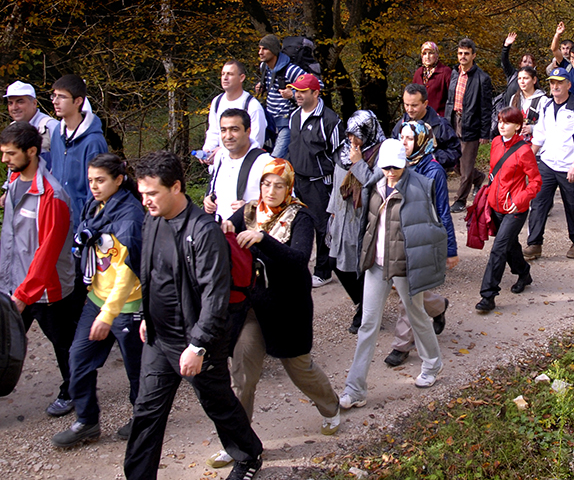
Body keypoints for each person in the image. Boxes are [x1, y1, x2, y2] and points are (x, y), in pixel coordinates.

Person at [124, 151, 263, 480]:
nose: (145, 201)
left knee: (217, 403)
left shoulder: (203, 232)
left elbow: (216, 297)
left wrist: (198, 345)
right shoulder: (152, 220)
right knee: (146, 411)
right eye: (142, 194)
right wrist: (147, 315)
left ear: (176, 187)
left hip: (197, 341)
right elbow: (151, 275)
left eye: (152, 193)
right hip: (159, 339)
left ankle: (249, 455)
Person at [224, 159, 341, 441]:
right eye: (266, 184)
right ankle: (238, 440)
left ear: (289, 187)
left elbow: (299, 260)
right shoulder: (250, 210)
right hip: (253, 305)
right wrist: (224, 225)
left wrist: (262, 239)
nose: (271, 191)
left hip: (289, 307)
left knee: (299, 367)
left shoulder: (300, 217)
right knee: (242, 374)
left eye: (279, 185)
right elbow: (228, 231)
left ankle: (330, 407)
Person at [339, 140, 447, 409]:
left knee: (417, 315)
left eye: (396, 167)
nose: (390, 172)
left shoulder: (420, 187)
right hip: (376, 265)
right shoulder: (375, 181)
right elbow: (364, 179)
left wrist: (435, 261)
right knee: (368, 324)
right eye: (386, 167)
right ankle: (355, 389)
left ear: (406, 163)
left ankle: (432, 365)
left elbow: (431, 227)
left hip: (405, 266)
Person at [52, 153, 144, 447]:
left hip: (126, 304)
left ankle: (143, 418)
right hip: (96, 297)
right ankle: (86, 420)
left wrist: (108, 314)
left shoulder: (130, 218)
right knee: (78, 358)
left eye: (100, 180)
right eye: (91, 180)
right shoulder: (95, 206)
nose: (94, 186)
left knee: (136, 369)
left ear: (119, 180)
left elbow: (128, 272)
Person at [0, 121, 83, 418]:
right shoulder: (13, 184)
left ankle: (74, 391)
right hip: (17, 283)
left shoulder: (53, 196)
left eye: (10, 154)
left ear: (31, 152)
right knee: (2, 340)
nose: (5, 160)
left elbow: (47, 252)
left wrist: (24, 294)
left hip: (46, 289)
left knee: (63, 343)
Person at [383, 120, 456, 368]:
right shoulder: (398, 168)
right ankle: (438, 305)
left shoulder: (433, 171)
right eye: (401, 138)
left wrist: (450, 249)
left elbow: (443, 212)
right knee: (414, 292)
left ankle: (401, 345)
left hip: (424, 238)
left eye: (410, 139)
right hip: (400, 235)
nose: (404, 143)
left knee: (410, 293)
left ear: (422, 141)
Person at [475, 108, 542, 312]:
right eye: (499, 122)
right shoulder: (496, 142)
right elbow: (494, 173)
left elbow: (536, 181)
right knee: (510, 245)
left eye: (507, 122)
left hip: (515, 208)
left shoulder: (524, 151)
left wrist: (520, 199)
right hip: (495, 206)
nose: (501, 125)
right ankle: (524, 273)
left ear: (518, 126)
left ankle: (488, 295)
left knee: (499, 248)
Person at [524, 67, 574, 261]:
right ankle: (534, 243)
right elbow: (539, 137)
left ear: (568, 85)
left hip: (569, 165)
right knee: (538, 203)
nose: (555, 86)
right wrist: (527, 162)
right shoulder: (546, 106)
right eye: (552, 83)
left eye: (559, 82)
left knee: (573, 205)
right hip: (547, 163)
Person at [327, 111, 384, 335]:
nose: (352, 141)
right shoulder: (345, 149)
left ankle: (366, 309)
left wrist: (359, 164)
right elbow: (336, 181)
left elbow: (375, 185)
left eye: (356, 136)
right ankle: (363, 303)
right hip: (341, 215)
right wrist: (331, 211)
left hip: (362, 218)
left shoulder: (380, 152)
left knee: (358, 266)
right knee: (335, 263)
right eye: (350, 135)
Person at [287, 73, 343, 288]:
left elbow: (339, 156)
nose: (297, 95)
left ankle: (323, 271)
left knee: (323, 228)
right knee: (295, 225)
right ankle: (296, 268)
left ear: (315, 93)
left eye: (302, 91)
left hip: (321, 182)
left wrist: (337, 187)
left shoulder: (330, 120)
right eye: (296, 90)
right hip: (297, 180)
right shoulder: (293, 117)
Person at [51, 74, 109, 226]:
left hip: (80, 223)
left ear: (78, 101)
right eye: (54, 96)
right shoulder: (57, 132)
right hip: (57, 218)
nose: (55, 102)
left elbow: (96, 191)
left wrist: (87, 224)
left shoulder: (94, 142)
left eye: (61, 97)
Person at [446, 38, 493, 214]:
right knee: (454, 163)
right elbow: (450, 101)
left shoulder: (482, 78)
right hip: (453, 122)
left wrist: (484, 132)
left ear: (473, 55)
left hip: (471, 125)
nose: (463, 56)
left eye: (467, 53)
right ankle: (479, 177)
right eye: (460, 53)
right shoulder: (454, 74)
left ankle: (460, 200)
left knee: (465, 167)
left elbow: (486, 108)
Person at [204, 109, 268, 223]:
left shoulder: (266, 163)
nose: (228, 136)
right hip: (220, 232)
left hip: (251, 235)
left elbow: (285, 207)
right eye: (223, 130)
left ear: (248, 132)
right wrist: (209, 199)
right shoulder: (220, 157)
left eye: (234, 130)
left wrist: (251, 209)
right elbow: (217, 191)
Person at [198, 61, 267, 162]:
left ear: (241, 78)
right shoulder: (217, 101)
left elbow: (256, 143)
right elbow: (214, 131)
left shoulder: (252, 106)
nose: (225, 78)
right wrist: (207, 150)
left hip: (243, 167)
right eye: (223, 74)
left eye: (230, 74)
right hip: (219, 168)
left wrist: (223, 152)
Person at [392, 83, 461, 170]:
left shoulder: (440, 125)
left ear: (425, 104)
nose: (409, 109)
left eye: (414, 105)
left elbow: (455, 152)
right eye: (406, 105)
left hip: (431, 176)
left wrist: (433, 157)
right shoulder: (401, 124)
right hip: (405, 176)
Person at [256, 33, 304, 159]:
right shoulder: (264, 67)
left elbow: (316, 87)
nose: (260, 52)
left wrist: (293, 94)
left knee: (274, 160)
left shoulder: (291, 70)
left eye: (264, 49)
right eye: (259, 48)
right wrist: (262, 87)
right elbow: (273, 86)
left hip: (286, 122)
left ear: (274, 51)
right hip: (270, 122)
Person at [6, 80, 61, 168]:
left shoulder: (51, 127)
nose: (14, 107)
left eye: (20, 102)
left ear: (34, 103)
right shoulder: (11, 129)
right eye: (10, 103)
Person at [413, 42, 452, 117]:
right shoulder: (419, 72)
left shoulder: (445, 72)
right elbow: (412, 95)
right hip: (420, 117)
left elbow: (451, 98)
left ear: (436, 54)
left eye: (431, 53)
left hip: (439, 119)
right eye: (424, 53)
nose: (427, 57)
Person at [508, 67, 547, 138]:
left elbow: (548, 124)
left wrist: (532, 128)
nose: (522, 81)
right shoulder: (514, 98)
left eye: (525, 78)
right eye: (519, 78)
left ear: (534, 80)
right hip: (517, 142)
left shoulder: (543, 100)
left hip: (536, 143)